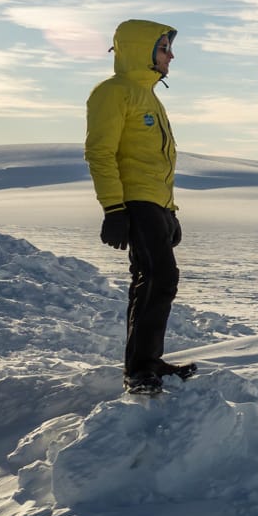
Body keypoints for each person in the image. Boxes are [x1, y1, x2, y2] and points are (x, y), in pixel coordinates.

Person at [85, 19, 193, 395]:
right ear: (141, 49)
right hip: (135, 202)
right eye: (164, 48)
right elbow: (101, 152)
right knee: (160, 278)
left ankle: (148, 360)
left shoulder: (148, 96)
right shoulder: (114, 92)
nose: (171, 55)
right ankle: (139, 369)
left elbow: (154, 160)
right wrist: (114, 208)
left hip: (156, 204)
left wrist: (170, 210)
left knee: (150, 279)